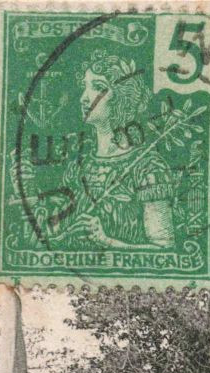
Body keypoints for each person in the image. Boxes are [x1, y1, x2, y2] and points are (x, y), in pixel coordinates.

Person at [66, 52, 176, 249]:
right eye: (85, 87)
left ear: (121, 99)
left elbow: (164, 250)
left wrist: (106, 241)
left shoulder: (148, 168)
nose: (84, 98)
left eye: (98, 88)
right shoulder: (79, 165)